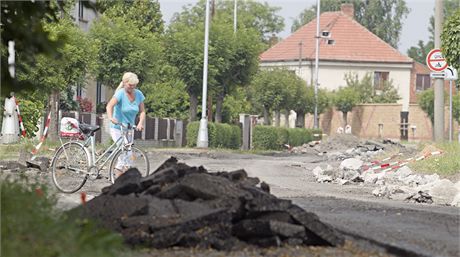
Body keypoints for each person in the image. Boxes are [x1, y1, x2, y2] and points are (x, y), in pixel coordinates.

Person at [106, 72, 146, 177]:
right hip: (117, 127)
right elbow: (109, 106)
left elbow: (142, 111)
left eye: (134, 85)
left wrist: (140, 123)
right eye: (130, 85)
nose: (132, 87)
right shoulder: (120, 94)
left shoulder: (139, 94)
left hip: (129, 129)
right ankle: (120, 176)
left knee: (127, 153)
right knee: (125, 152)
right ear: (124, 83)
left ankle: (119, 178)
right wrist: (111, 118)